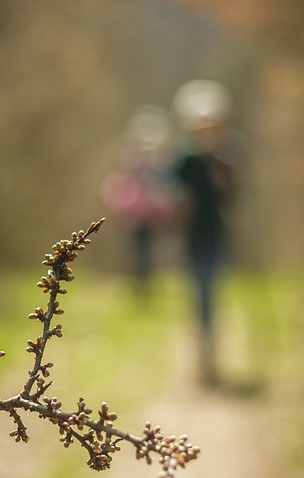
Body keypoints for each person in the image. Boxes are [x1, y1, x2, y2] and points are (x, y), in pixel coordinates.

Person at [171, 80, 239, 384]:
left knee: (210, 291)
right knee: (198, 292)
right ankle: (201, 350)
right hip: (191, 237)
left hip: (216, 236)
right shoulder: (184, 162)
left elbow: (232, 196)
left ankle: (209, 350)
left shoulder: (224, 160)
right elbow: (169, 192)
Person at [100, 106, 178, 292]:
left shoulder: (157, 155)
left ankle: (144, 280)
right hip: (136, 211)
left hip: (149, 211)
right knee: (137, 247)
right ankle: (138, 280)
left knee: (145, 247)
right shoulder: (131, 154)